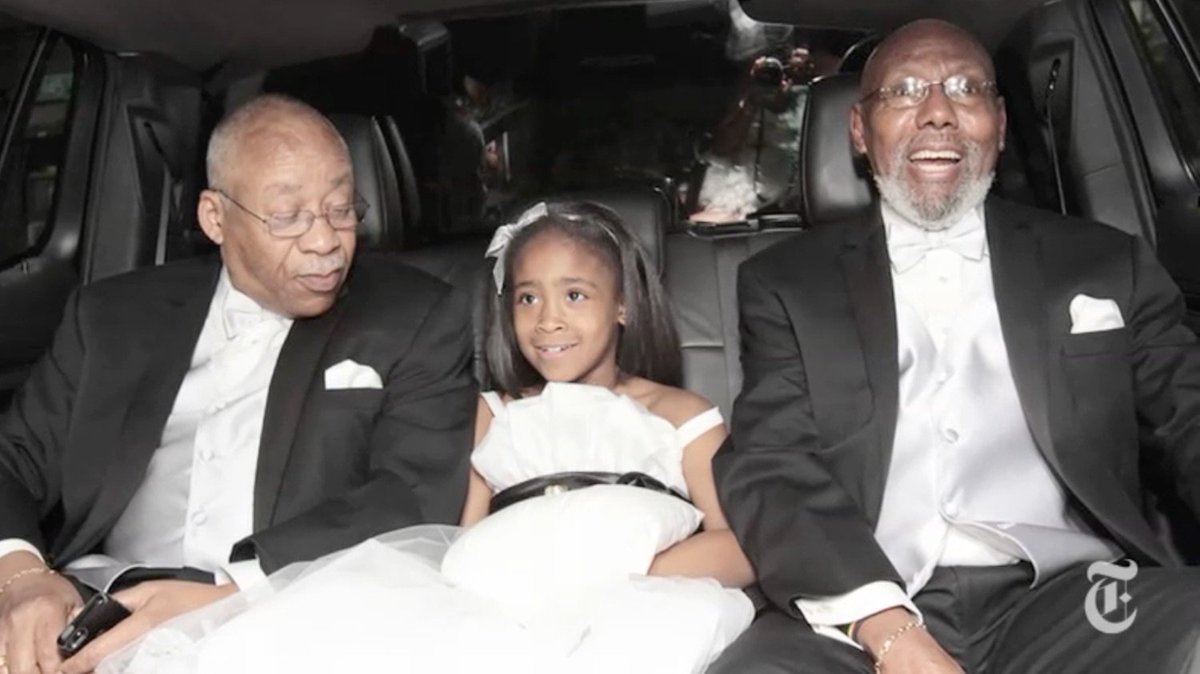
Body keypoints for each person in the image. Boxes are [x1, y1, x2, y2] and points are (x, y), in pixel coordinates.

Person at [710, 18, 1200, 674]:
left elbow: (1190, 416)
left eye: (966, 89)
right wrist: (888, 631)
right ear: (860, 131)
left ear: (999, 123)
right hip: (855, 608)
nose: (938, 112)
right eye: (905, 91)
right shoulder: (784, 284)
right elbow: (773, 466)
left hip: (1080, 598)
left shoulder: (1105, 262)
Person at [99, 200, 756, 674]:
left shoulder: (682, 414)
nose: (548, 320)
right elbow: (456, 534)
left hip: (637, 595)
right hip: (501, 600)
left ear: (623, 306)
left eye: (576, 296)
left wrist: (616, 572)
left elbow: (743, 543)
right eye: (527, 298)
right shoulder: (492, 413)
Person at [0, 94, 476, 674]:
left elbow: (412, 495)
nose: (325, 241)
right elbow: (12, 460)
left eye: (341, 209)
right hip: (95, 602)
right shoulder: (112, 315)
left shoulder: (416, 315)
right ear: (214, 218)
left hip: (290, 611)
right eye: (288, 216)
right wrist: (22, 576)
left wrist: (236, 594)